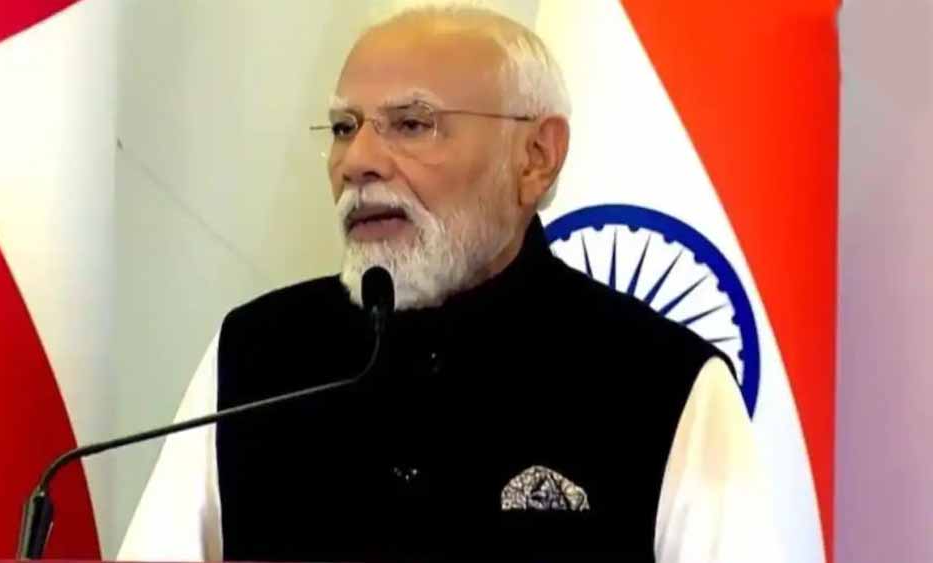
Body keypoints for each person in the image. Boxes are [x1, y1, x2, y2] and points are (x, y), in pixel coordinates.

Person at [118, 6, 778, 563]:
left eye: (412, 123)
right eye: (345, 128)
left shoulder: (661, 380)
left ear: (536, 158)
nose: (357, 162)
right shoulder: (257, 354)